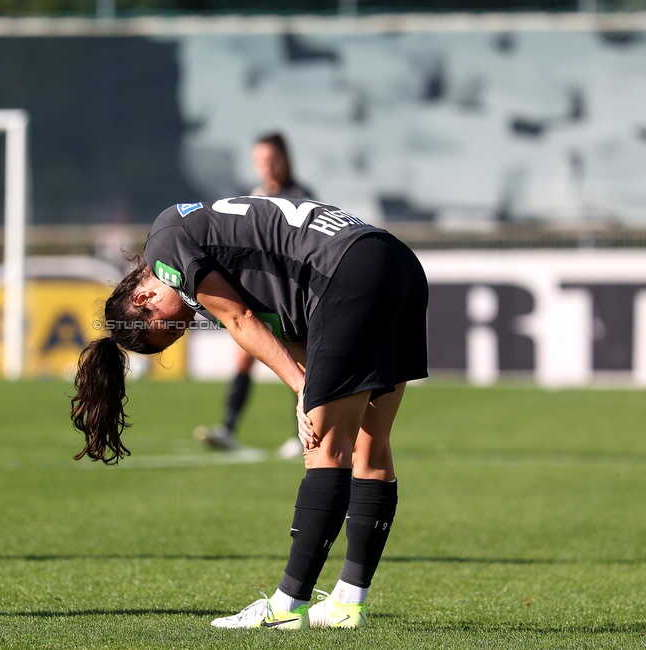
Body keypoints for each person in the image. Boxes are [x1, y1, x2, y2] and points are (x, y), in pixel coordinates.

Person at [70, 196, 427, 629]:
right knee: (370, 446)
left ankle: (286, 608)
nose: (183, 328)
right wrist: (309, 381)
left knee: (323, 448)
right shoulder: (198, 244)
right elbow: (300, 337)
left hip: (349, 271)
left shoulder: (168, 248)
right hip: (393, 260)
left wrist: (302, 389)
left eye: (170, 328)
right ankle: (347, 603)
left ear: (145, 293)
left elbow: (240, 320)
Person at [194, 133, 314, 458]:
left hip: (289, 294)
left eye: (272, 159)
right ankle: (229, 427)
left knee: (296, 360)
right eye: (261, 161)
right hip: (262, 290)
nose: (267, 167)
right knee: (246, 355)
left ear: (285, 159)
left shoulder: (301, 195)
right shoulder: (255, 195)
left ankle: (301, 433)